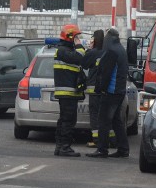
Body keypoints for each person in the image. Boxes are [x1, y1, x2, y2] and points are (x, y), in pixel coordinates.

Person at [87, 27, 129, 158]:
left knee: (103, 120)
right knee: (117, 121)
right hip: (119, 91)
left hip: (111, 91)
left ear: (109, 38)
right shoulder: (121, 49)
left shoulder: (111, 51)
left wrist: (101, 89)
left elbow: (105, 73)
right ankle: (123, 149)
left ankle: (102, 149)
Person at [53, 23, 85, 157]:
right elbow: (80, 57)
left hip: (67, 92)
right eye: (76, 36)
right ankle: (64, 147)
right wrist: (79, 45)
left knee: (64, 120)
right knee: (68, 121)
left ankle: (60, 147)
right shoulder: (63, 51)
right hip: (67, 92)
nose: (78, 39)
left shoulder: (64, 50)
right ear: (70, 36)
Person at [81, 29, 116, 148]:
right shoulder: (107, 52)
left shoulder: (93, 52)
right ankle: (111, 139)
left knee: (95, 115)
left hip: (94, 91)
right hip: (106, 90)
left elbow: (84, 64)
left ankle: (96, 140)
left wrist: (90, 49)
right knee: (106, 116)